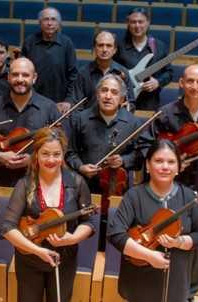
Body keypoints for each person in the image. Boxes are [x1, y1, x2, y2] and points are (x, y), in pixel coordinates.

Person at [146, 65, 198, 300]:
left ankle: (190, 291)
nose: (194, 86)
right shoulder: (166, 114)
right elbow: (152, 150)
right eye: (190, 81)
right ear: (181, 83)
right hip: (171, 188)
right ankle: (161, 283)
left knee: (196, 240)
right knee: (166, 235)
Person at [0, 128, 97, 302]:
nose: (51, 160)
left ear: (63, 155)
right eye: (45, 154)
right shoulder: (24, 184)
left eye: (56, 154)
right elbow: (8, 228)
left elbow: (88, 223)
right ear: (36, 154)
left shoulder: (77, 182)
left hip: (64, 259)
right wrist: (38, 250)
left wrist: (72, 239)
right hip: (30, 259)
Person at [107, 139, 198, 302]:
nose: (165, 167)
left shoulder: (189, 197)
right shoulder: (134, 196)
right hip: (139, 281)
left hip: (176, 281)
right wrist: (149, 256)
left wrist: (180, 241)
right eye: (158, 161)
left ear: (178, 167)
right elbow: (116, 234)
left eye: (171, 162)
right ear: (147, 166)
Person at [66, 74, 147, 250]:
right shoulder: (81, 119)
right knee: (84, 239)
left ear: (122, 99)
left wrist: (123, 160)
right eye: (104, 90)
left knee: (111, 236)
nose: (108, 96)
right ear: (97, 94)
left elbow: (140, 157)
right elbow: (69, 152)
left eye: (114, 92)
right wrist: (80, 166)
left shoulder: (134, 123)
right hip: (84, 188)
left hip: (117, 191)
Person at [0, 57, 61, 187]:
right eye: (15, 74)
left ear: (34, 78)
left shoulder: (49, 108)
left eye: (25, 75)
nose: (20, 79)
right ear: (8, 77)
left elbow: (62, 146)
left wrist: (34, 159)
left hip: (39, 183)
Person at [113, 8, 173, 111]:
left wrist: (158, 82)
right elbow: (111, 70)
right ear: (128, 23)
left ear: (148, 23)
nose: (137, 26)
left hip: (149, 102)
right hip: (123, 100)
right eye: (133, 22)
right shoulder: (118, 46)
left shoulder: (159, 46)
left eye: (141, 22)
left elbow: (169, 72)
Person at [21, 7, 78, 113]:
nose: (49, 23)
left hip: (60, 103)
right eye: (46, 19)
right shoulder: (29, 42)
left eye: (53, 19)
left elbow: (73, 75)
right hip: (32, 102)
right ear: (40, 22)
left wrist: (68, 100)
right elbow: (23, 73)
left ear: (59, 23)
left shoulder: (67, 43)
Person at [69, 31, 135, 109]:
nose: (104, 49)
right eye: (100, 45)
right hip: (89, 120)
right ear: (94, 49)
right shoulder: (83, 73)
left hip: (117, 120)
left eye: (109, 46)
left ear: (115, 50)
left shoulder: (123, 72)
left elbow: (131, 103)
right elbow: (76, 106)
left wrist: (128, 106)